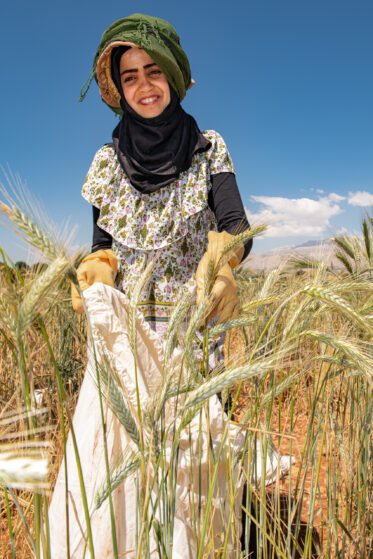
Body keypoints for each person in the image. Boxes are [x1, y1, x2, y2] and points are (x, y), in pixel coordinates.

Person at [49, 13, 254, 559]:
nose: (143, 85)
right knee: (127, 463)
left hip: (195, 328)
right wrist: (97, 270)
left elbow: (236, 226)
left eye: (153, 70)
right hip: (127, 339)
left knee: (193, 459)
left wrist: (225, 265)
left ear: (175, 75)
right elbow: (103, 245)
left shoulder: (209, 148)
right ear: (117, 87)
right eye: (130, 75)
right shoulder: (105, 165)